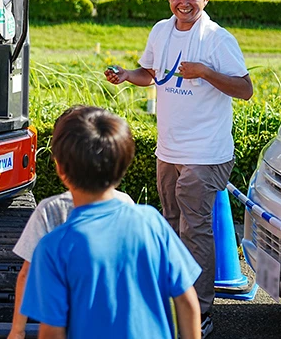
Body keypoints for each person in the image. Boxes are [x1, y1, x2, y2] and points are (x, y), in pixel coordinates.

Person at [104, 0, 253, 337]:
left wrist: (205, 71)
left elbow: (245, 89)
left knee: (194, 231)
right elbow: (151, 73)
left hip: (205, 153)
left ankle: (200, 313)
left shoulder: (217, 39)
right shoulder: (161, 30)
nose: (183, 3)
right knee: (171, 224)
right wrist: (126, 75)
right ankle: (176, 303)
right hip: (168, 150)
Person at [20, 106, 201, 339]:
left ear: (60, 168)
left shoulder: (53, 247)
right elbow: (187, 301)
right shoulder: (152, 223)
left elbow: (52, 333)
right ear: (124, 165)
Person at [9, 173, 135, 339]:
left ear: (62, 170)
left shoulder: (50, 210)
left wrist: (17, 331)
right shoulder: (126, 204)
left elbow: (27, 274)